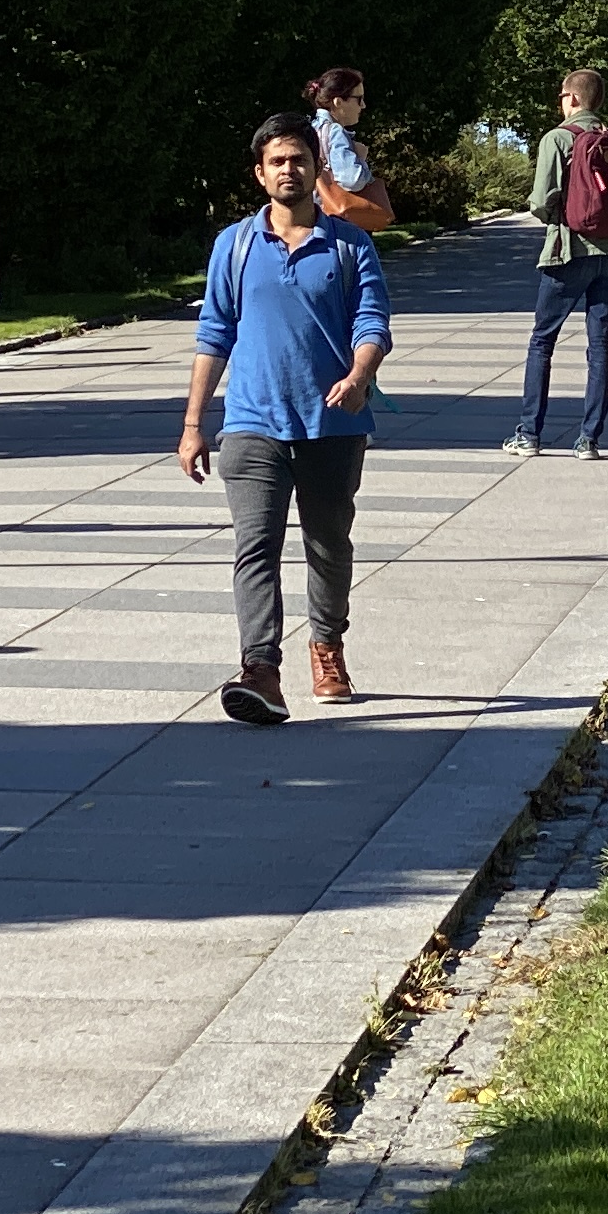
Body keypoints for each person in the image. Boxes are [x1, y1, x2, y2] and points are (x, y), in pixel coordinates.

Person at [180, 110, 393, 725]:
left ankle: (326, 645)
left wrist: (359, 376)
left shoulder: (351, 244)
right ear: (260, 174)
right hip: (251, 423)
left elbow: (372, 321)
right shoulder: (235, 245)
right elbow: (213, 334)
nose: (289, 169)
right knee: (256, 548)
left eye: (299, 159)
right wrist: (194, 424)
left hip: (333, 424)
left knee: (327, 545)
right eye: (277, 161)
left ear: (315, 168)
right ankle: (261, 670)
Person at [507, 69, 608, 458]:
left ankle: (530, 434)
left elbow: (539, 201)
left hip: (568, 252)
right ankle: (589, 439)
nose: (559, 102)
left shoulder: (558, 138)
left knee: (542, 341)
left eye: (562, 95)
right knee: (600, 345)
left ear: (575, 99)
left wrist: (559, 217)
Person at [305, 66, 392, 232]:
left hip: (315, 217)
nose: (364, 106)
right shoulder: (335, 131)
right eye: (359, 99)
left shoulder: (311, 129)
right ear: (338, 102)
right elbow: (353, 180)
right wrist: (360, 158)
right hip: (342, 223)